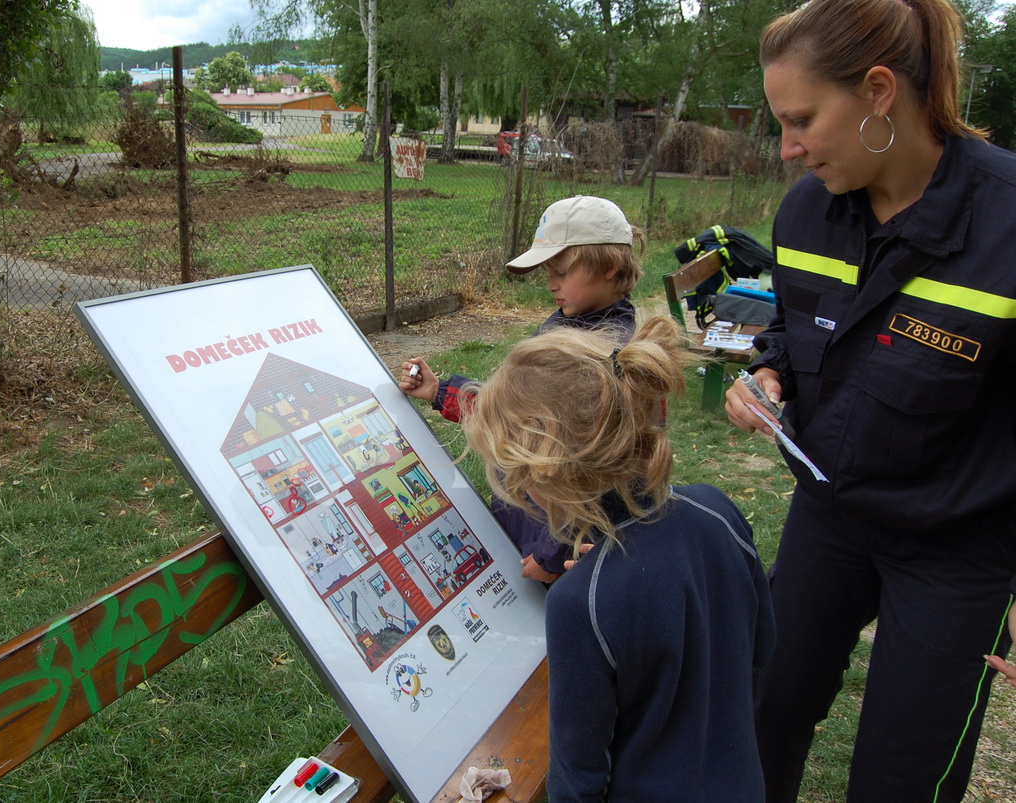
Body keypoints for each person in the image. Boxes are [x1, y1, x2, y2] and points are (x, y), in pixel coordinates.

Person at [724, 0, 1016, 798]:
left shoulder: (1007, 223)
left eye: (803, 119)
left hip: (960, 546)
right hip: (831, 511)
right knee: (762, 707)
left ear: (879, 90)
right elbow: (786, 330)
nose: (787, 148)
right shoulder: (805, 213)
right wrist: (769, 376)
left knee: (902, 774)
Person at [460, 320, 774, 802]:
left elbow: (578, 777)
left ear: (540, 477)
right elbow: (759, 651)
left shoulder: (578, 602)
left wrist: (594, 597)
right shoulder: (717, 510)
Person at [399, 194, 643, 583]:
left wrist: (550, 559)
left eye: (560, 271)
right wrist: (439, 391)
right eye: (548, 271)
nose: (550, 284)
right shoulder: (569, 323)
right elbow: (514, 413)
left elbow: (584, 478)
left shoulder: (601, 361)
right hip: (529, 523)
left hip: (564, 554)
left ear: (609, 266)